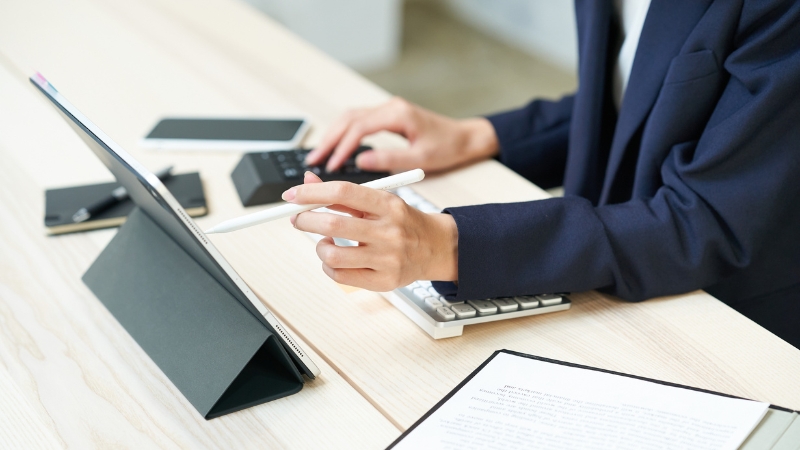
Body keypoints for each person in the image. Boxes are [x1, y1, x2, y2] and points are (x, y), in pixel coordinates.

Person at [283, 0, 800, 348]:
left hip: (736, 321)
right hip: (623, 270)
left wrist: (447, 245)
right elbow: (645, 96)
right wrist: (481, 135)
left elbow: (708, 221)